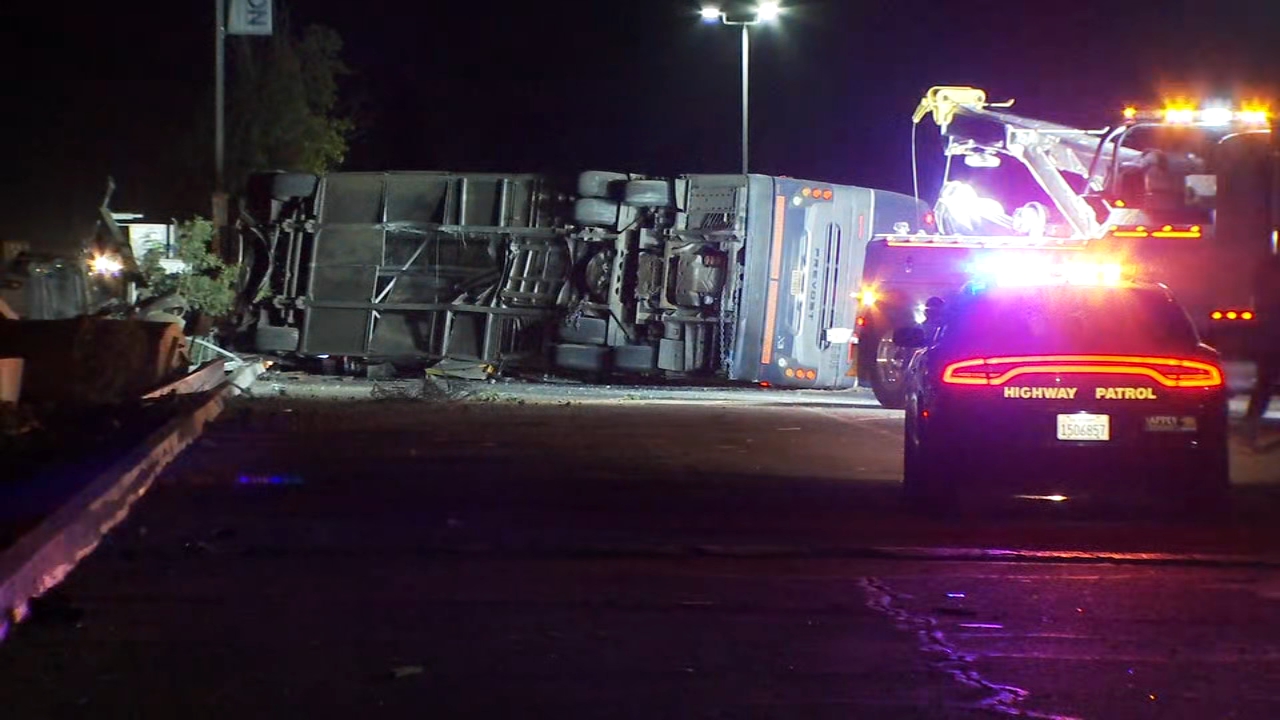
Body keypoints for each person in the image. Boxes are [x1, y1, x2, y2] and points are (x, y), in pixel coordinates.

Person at [1245, 255, 1280, 449]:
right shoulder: (1270, 267)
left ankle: (1250, 426)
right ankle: (1250, 427)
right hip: (1272, 334)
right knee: (1265, 382)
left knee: (1265, 382)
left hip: (1267, 334)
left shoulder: (1267, 266)